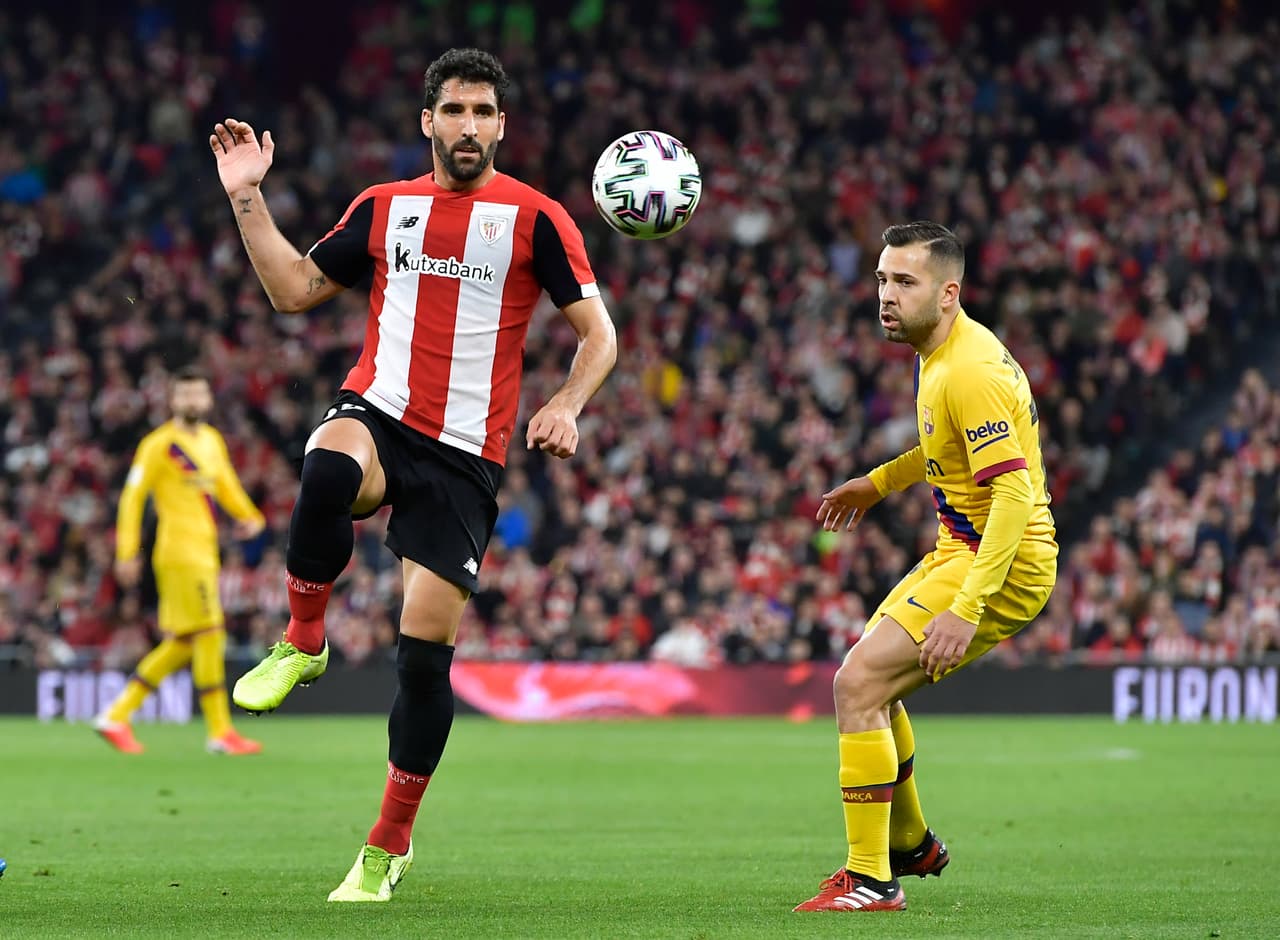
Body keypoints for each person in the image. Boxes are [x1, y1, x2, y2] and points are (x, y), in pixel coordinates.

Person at [209, 48, 617, 902]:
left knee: (423, 664)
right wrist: (246, 194)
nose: (469, 126)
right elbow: (292, 290)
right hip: (380, 410)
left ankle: (387, 845)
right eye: (454, 110)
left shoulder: (537, 219)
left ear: (502, 127)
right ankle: (304, 639)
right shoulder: (383, 206)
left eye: (483, 112)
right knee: (327, 464)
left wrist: (568, 403)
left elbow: (599, 335)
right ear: (427, 120)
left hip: (464, 457)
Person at [794, 222, 1058, 913]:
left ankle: (873, 878)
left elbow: (1012, 495)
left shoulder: (968, 371)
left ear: (948, 293)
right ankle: (908, 844)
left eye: (904, 282)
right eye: (882, 279)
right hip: (963, 547)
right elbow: (945, 447)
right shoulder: (941, 354)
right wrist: (878, 482)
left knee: (858, 685)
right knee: (870, 683)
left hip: (1003, 560)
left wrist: (967, 608)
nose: (886, 294)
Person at [94, 368, 266, 756]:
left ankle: (116, 716)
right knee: (211, 633)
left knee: (184, 641)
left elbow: (226, 486)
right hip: (179, 554)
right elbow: (132, 498)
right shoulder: (159, 445)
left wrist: (250, 516)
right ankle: (220, 732)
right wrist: (126, 552)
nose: (192, 401)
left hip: (205, 552)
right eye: (185, 394)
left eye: (198, 394)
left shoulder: (212, 441)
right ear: (172, 400)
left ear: (208, 399)